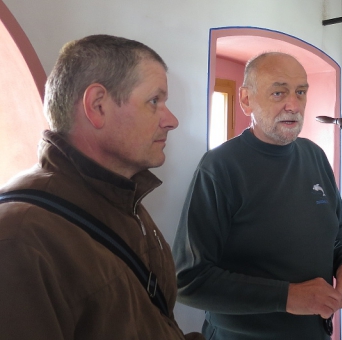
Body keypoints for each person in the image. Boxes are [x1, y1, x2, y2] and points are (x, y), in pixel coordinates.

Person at [0, 35, 204, 339]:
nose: (171, 120)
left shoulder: (121, 199)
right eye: (154, 101)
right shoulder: (20, 238)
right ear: (97, 106)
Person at [172, 52, 342, 340]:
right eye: (278, 92)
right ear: (245, 99)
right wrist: (287, 296)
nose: (293, 105)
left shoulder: (314, 156)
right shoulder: (220, 168)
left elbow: (337, 231)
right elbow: (188, 279)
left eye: (300, 92)